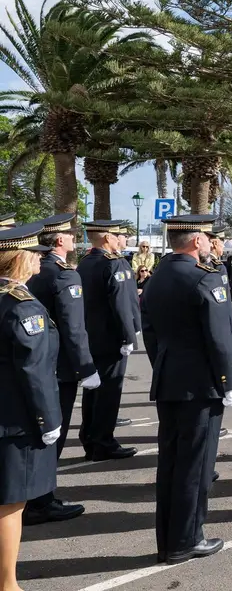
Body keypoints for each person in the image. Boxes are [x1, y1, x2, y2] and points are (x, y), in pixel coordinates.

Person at [141, 214, 232, 564]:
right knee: (195, 466)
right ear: (197, 241)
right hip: (201, 385)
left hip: (169, 380)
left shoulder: (157, 277)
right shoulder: (204, 279)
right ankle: (186, 540)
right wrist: (229, 382)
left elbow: (149, 332)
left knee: (170, 462)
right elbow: (219, 340)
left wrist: (165, 366)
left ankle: (168, 539)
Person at [21, 214, 96, 526]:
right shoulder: (64, 275)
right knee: (53, 435)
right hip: (59, 366)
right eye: (69, 234)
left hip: (37, 363)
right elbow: (73, 328)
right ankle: (42, 500)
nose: (73, 237)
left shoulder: (38, 272)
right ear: (60, 240)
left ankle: (33, 497)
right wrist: (85, 367)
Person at [0, 223, 62, 587]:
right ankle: (8, 583)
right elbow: (34, 372)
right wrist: (48, 420)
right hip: (14, 419)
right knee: (10, 504)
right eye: (35, 254)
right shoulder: (23, 307)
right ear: (21, 259)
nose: (41, 260)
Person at [79, 220, 141, 460]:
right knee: (109, 392)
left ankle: (90, 438)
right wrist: (129, 336)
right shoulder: (115, 263)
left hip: (91, 337)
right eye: (118, 236)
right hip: (111, 337)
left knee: (93, 390)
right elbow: (122, 304)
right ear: (107, 238)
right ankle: (103, 442)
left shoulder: (85, 262)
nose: (121, 241)